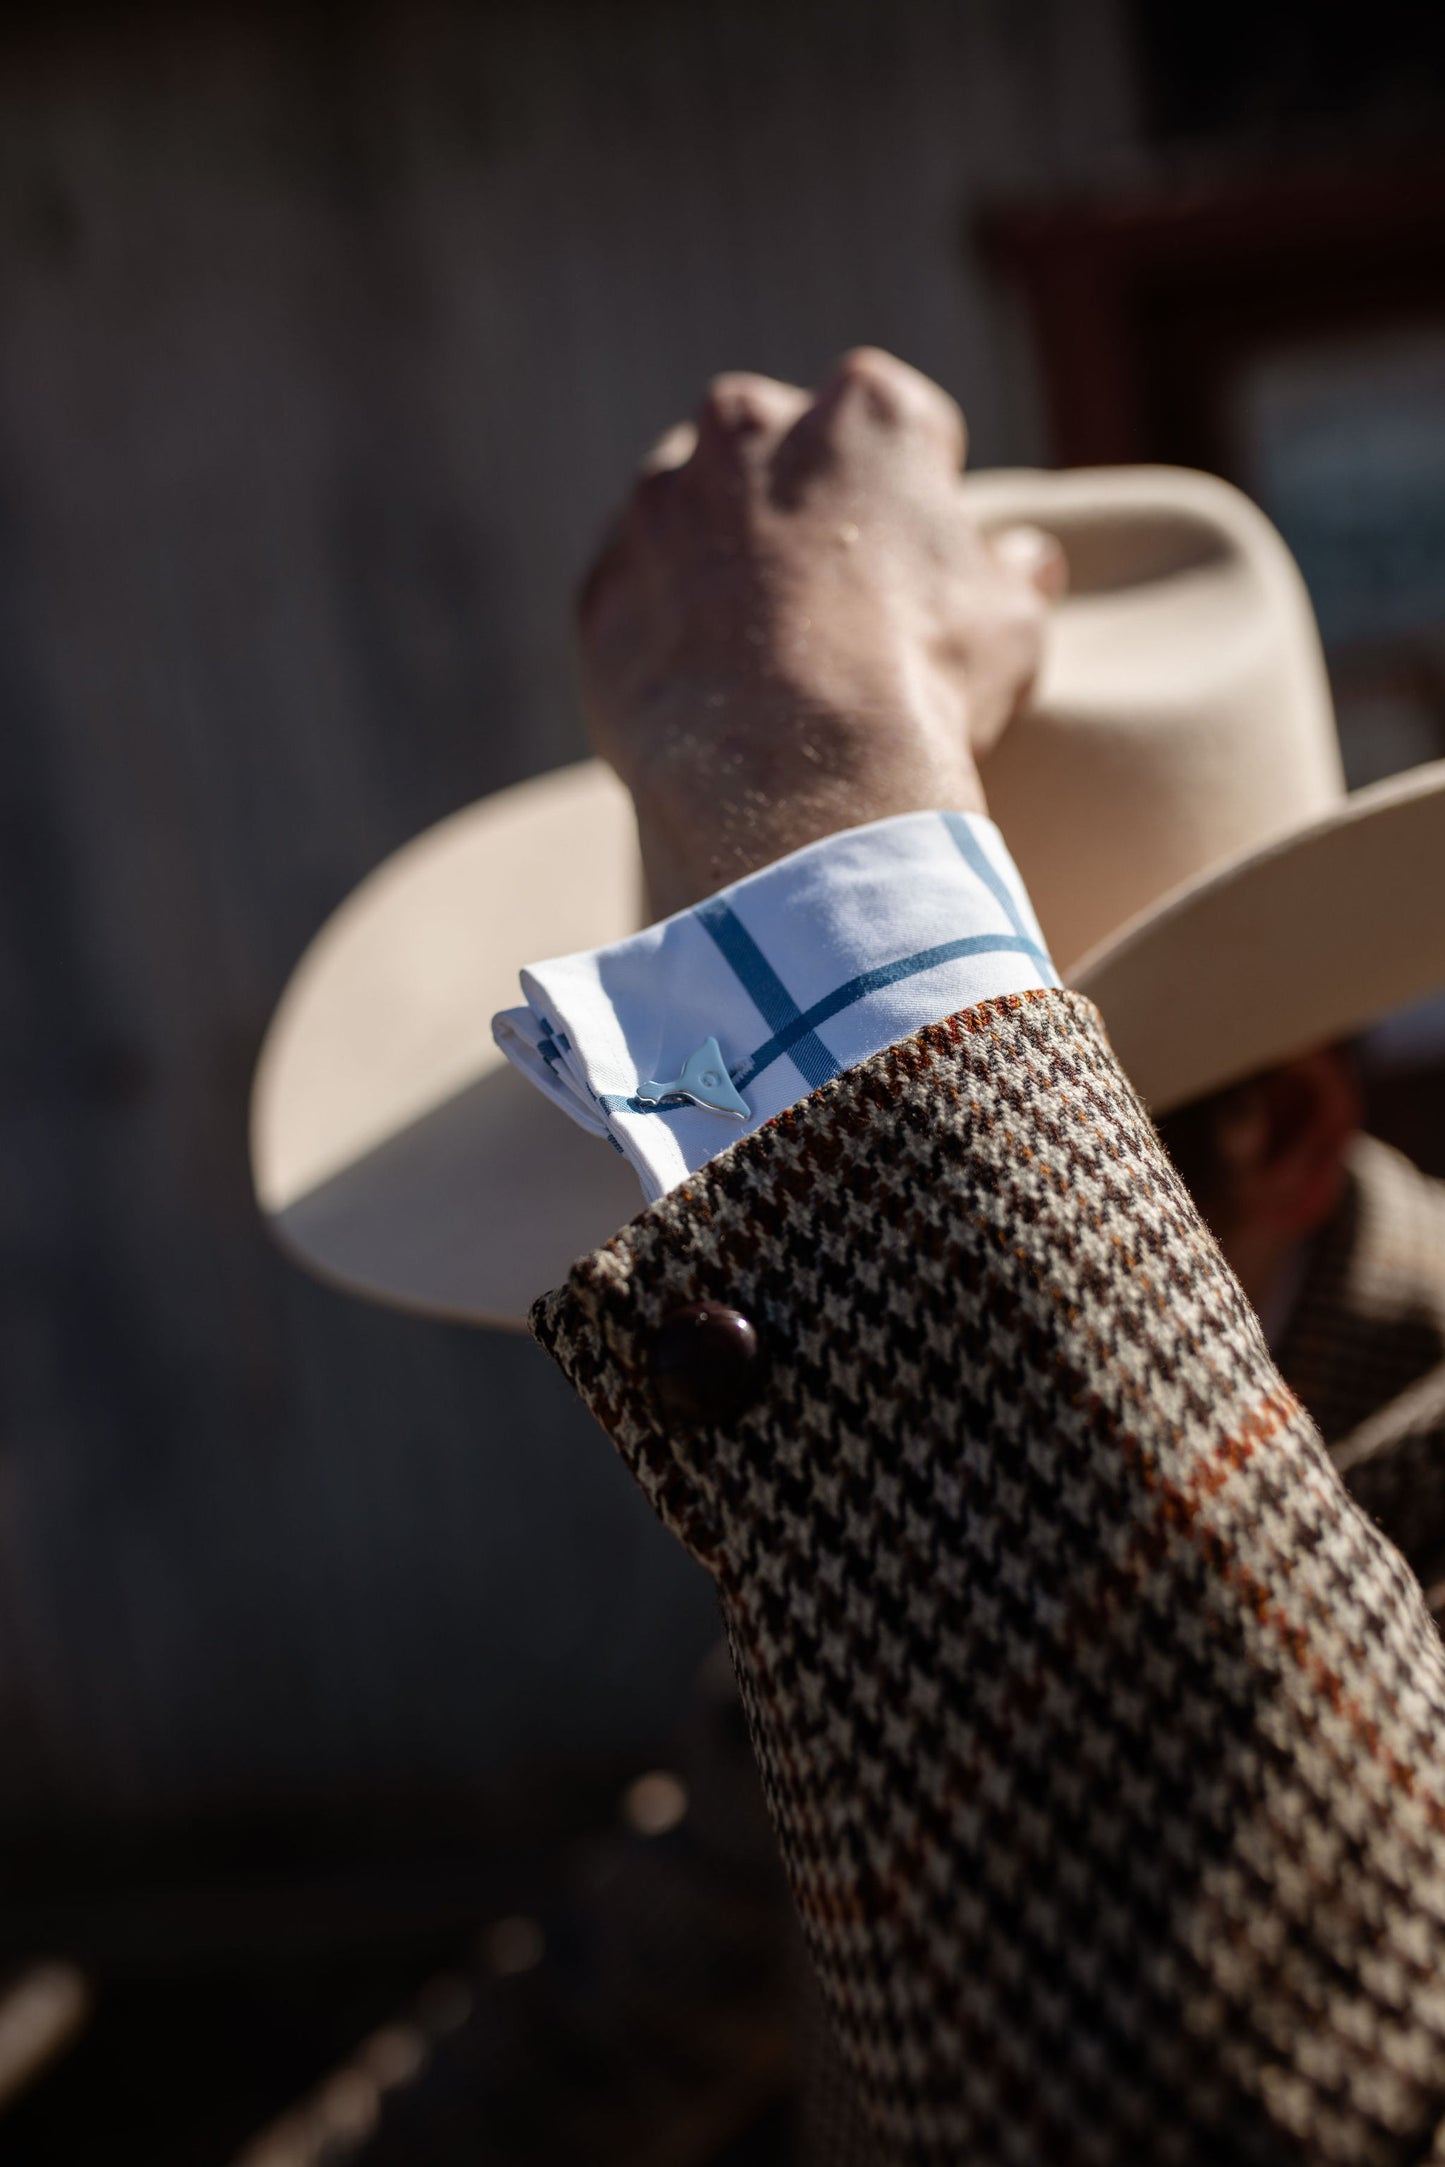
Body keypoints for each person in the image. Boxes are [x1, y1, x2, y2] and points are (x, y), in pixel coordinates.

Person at [261, 348, 1445, 2161]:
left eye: (937, 1185)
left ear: (1281, 1135)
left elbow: (1211, 2075)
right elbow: (614, 2016)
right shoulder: (916, 1510)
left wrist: (816, 773)